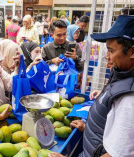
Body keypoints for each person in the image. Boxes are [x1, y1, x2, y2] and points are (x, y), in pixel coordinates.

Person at [49, 15, 134, 157]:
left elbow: (117, 154)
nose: (107, 57)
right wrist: (89, 128)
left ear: (132, 52)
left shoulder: (129, 99)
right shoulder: (122, 76)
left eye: (111, 51)